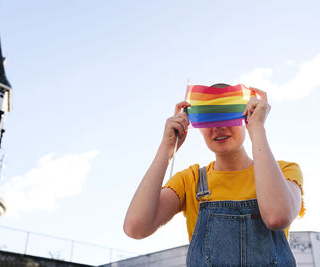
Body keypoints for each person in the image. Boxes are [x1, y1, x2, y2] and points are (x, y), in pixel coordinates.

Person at [124, 83, 304, 266]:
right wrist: (166, 148)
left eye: (228, 115)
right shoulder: (191, 180)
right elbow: (135, 227)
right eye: (209, 119)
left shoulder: (283, 171)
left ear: (245, 116)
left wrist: (257, 128)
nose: (219, 127)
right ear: (197, 125)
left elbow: (277, 217)